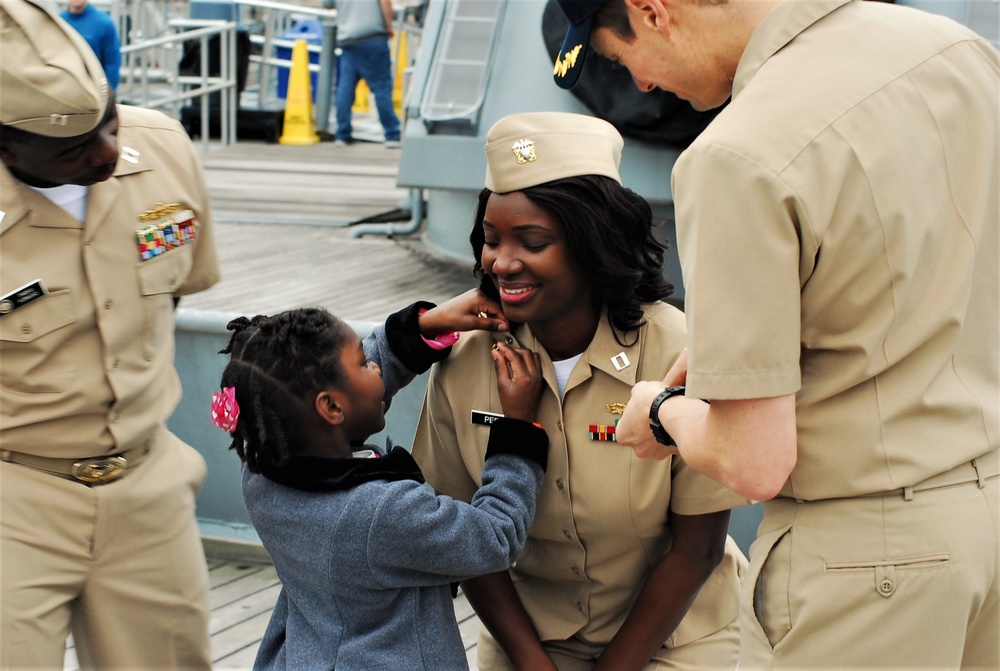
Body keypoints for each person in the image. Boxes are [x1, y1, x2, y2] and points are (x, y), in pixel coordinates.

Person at [550, 0, 999, 668]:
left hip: (866, 563)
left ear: (652, 11)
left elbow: (752, 460)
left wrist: (662, 412)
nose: (640, 85)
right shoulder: (960, 54)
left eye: (622, 59)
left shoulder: (737, 154)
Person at [412, 111, 750, 671]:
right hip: (529, 641)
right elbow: (461, 538)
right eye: (491, 240)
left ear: (594, 244)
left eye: (533, 241)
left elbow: (697, 549)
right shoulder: (464, 360)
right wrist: (530, 660)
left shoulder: (676, 350)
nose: (502, 261)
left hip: (674, 635)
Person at [0, 0, 220, 667]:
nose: (107, 152)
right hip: (15, 495)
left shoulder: (161, 148)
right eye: (74, 148)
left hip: (147, 484)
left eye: (109, 121)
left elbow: (180, 289)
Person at [216, 291, 549, 670]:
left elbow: (337, 389)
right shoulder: (381, 514)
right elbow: (495, 536)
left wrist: (422, 328)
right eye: (363, 363)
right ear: (331, 408)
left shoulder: (263, 466)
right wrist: (518, 428)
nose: (375, 367)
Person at [333, 0, 402, 148]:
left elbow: (327, 4)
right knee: (381, 88)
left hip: (348, 40)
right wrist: (389, 27)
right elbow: (385, 2)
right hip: (373, 37)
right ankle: (392, 134)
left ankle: (342, 133)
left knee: (345, 88)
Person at [60, 0, 121, 90]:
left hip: (93, 91)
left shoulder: (104, 23)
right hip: (65, 90)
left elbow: (112, 63)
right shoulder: (58, 22)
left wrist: (108, 96)